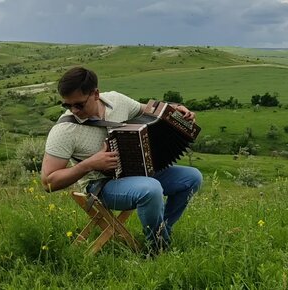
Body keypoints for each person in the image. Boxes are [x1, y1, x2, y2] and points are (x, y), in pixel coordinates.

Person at [41, 67, 202, 253]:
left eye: (79, 104)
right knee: (151, 189)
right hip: (100, 186)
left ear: (95, 94)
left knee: (192, 178)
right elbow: (48, 182)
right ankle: (157, 250)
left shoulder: (116, 101)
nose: (74, 110)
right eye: (67, 105)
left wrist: (175, 109)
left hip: (137, 173)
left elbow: (151, 112)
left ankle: (162, 231)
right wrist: (90, 164)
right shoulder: (64, 130)